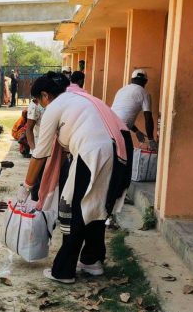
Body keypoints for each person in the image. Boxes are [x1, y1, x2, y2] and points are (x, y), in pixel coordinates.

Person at [19, 72, 132, 283]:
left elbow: (40, 154)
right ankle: (92, 261)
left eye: (37, 101)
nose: (40, 106)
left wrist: (26, 186)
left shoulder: (55, 106)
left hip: (94, 152)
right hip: (121, 150)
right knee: (96, 208)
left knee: (75, 211)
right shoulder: (81, 98)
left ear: (45, 95)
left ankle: (63, 271)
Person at [111, 69, 157, 150]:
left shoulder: (121, 90)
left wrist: (136, 131)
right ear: (145, 81)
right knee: (128, 156)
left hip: (109, 125)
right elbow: (148, 118)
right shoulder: (144, 93)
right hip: (121, 130)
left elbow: (123, 115)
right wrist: (151, 139)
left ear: (132, 79)